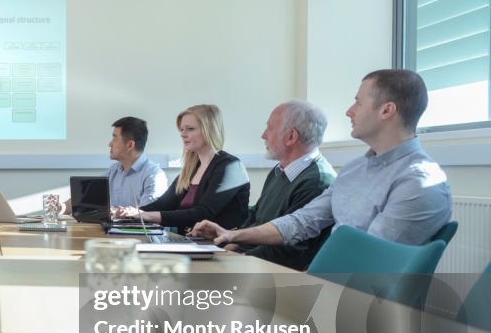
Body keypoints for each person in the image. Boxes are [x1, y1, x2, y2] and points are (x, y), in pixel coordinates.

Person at [191, 69, 452, 250]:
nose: (349, 111)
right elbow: (301, 222)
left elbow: (370, 261)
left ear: (387, 110)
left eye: (358, 102)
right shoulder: (355, 169)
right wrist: (232, 235)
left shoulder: (418, 182)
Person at [232, 100, 337, 271]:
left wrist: (237, 258)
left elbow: (294, 250)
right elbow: (255, 218)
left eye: (270, 128)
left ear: (291, 137)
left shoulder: (317, 181)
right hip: (251, 262)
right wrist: (230, 243)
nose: (263, 135)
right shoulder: (279, 170)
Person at [113, 104, 249, 230]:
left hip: (221, 247)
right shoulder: (191, 169)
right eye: (182, 129)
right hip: (191, 243)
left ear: (210, 130)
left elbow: (202, 213)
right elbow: (163, 204)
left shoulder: (230, 166)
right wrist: (129, 212)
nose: (183, 134)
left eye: (190, 129)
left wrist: (144, 215)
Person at [65, 116, 167, 215]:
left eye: (114, 138)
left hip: (138, 232)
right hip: (114, 231)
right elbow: (86, 197)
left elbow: (147, 216)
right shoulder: (113, 170)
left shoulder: (154, 175)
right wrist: (62, 207)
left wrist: (118, 215)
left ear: (130, 145)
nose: (110, 144)